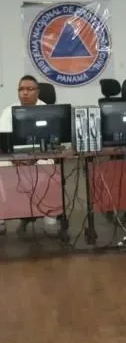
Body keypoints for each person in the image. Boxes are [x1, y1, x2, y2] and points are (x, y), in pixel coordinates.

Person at [0, 75, 59, 235]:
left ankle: (50, 218)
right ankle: (1, 217)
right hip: (14, 158)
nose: (24, 93)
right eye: (21, 89)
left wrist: (33, 158)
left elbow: (53, 142)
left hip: (40, 156)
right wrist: (17, 159)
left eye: (29, 89)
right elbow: (3, 142)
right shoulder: (8, 111)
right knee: (1, 168)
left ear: (38, 92)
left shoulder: (48, 111)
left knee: (48, 166)